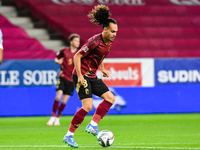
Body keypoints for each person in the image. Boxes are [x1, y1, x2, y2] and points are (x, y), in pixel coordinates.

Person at [63, 4, 118, 148]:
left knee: (110, 98)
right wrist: (80, 76)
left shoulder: (109, 43)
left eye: (116, 32)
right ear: (105, 29)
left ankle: (93, 125)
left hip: (92, 76)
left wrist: (103, 68)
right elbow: (77, 56)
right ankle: (69, 135)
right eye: (112, 31)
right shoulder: (94, 41)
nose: (114, 34)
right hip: (82, 76)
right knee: (87, 106)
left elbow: (100, 56)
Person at [47, 33, 80, 126]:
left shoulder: (79, 53)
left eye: (78, 41)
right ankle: (52, 116)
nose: (78, 43)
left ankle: (58, 117)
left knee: (64, 101)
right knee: (58, 96)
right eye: (76, 41)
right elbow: (56, 59)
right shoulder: (64, 51)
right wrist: (58, 61)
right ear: (71, 42)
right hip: (63, 77)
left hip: (72, 80)